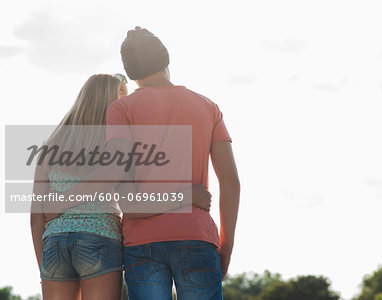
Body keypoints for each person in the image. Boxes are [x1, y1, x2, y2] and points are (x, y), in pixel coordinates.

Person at [31, 74, 212, 300]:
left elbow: (36, 216)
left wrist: (45, 268)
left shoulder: (51, 145)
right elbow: (131, 201)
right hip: (100, 238)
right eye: (123, 95)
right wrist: (186, 196)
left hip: (55, 244)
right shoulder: (117, 141)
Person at [110, 26, 241, 299]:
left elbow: (129, 205)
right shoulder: (208, 107)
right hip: (197, 238)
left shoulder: (121, 110)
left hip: (142, 245)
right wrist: (225, 247)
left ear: (131, 72)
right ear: (166, 59)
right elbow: (230, 183)